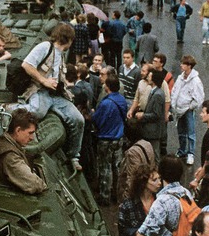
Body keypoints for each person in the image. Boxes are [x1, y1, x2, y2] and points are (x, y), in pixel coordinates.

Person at [18, 23, 85, 171]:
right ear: (68, 40)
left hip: (56, 95)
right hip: (41, 91)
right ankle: (11, 108)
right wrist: (44, 81)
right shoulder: (44, 47)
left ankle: (74, 156)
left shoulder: (61, 54)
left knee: (78, 119)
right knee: (37, 112)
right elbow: (26, 65)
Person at [0, 109, 46, 194]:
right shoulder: (10, 156)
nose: (32, 138)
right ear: (18, 130)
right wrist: (44, 186)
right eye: (30, 133)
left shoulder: (1, 140)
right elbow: (34, 184)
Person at [93, 74, 128, 206]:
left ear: (107, 87)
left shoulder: (106, 103)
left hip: (105, 139)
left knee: (105, 168)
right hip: (118, 138)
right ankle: (117, 194)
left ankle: (104, 196)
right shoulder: (122, 100)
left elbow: (97, 119)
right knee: (117, 167)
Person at [171, 55, 204, 166]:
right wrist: (174, 105)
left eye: (183, 64)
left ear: (189, 66)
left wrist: (190, 107)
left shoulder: (195, 81)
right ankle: (182, 150)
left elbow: (199, 97)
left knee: (190, 132)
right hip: (179, 109)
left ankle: (191, 153)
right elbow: (175, 90)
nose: (181, 65)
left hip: (188, 110)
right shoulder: (180, 78)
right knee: (181, 131)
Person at [135, 69, 166, 163]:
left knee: (155, 154)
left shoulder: (158, 95)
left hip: (154, 131)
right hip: (150, 130)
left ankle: (157, 173)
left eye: (149, 76)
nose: (147, 77)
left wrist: (143, 116)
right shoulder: (154, 92)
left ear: (154, 79)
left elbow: (156, 114)